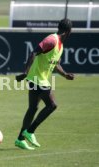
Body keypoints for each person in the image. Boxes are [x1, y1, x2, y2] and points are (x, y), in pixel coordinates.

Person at [15, 18, 74, 150]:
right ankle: (30, 131)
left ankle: (20, 139)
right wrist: (25, 71)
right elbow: (34, 52)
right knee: (52, 105)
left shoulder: (60, 45)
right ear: (68, 31)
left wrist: (65, 75)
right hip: (37, 78)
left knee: (33, 108)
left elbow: (56, 64)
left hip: (39, 78)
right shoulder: (51, 40)